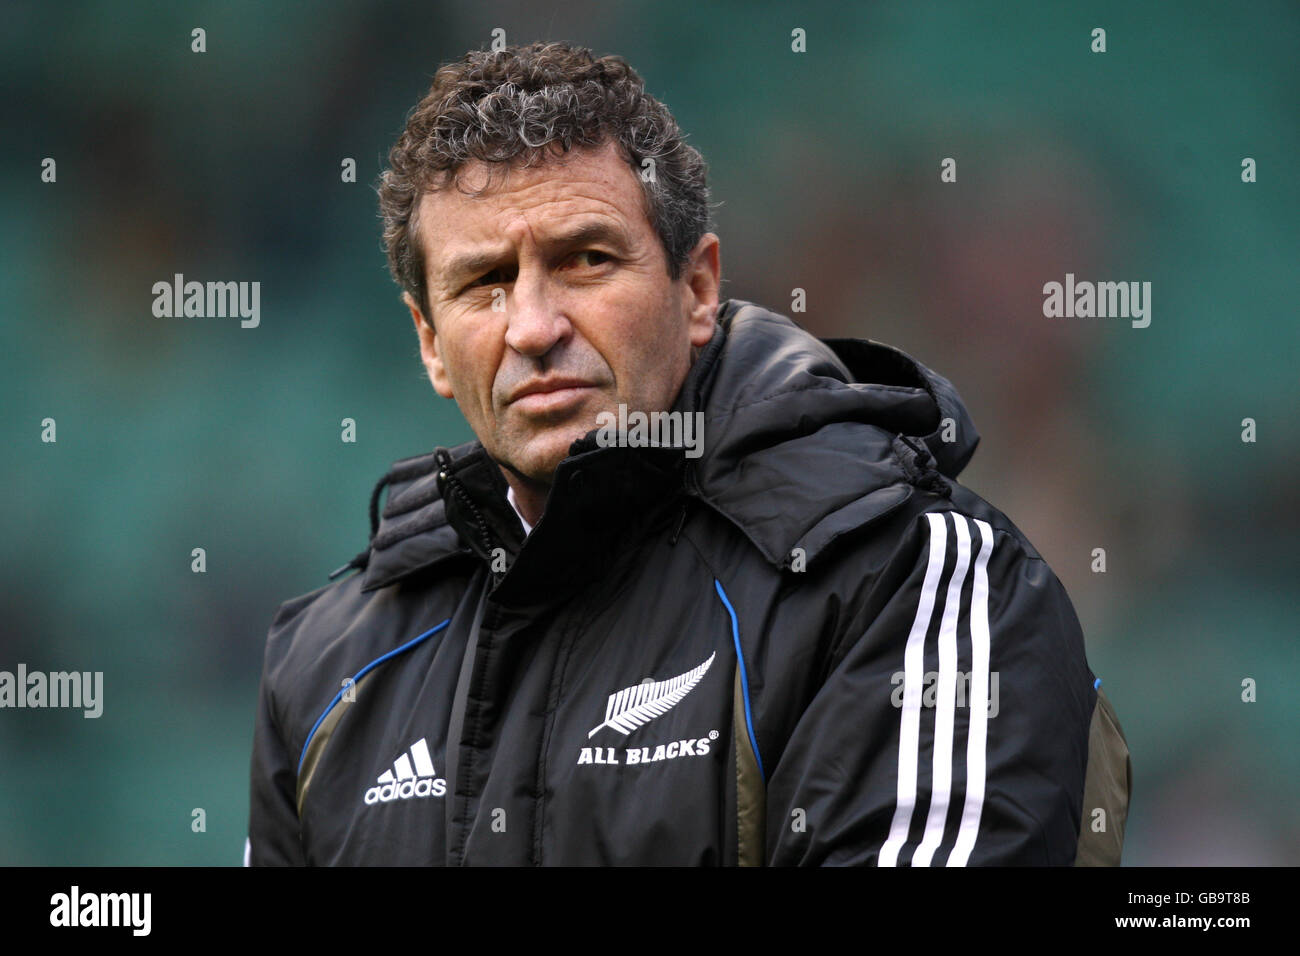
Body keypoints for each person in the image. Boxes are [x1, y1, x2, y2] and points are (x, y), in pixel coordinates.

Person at [246, 40, 1131, 866]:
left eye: (586, 260)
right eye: (484, 283)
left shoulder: (906, 582)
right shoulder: (327, 663)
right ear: (431, 343)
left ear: (698, 288)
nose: (534, 327)